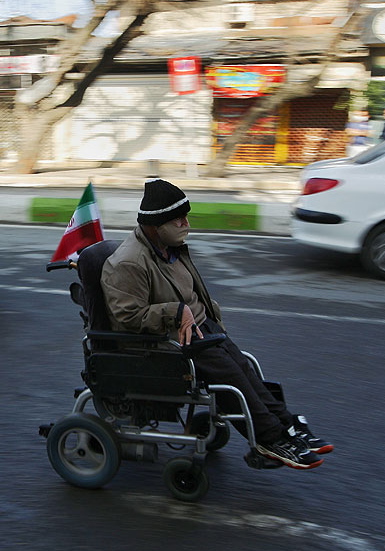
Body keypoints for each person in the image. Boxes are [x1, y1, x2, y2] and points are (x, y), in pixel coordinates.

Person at [100, 178, 333, 470]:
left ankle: (286, 425)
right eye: (178, 219)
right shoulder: (129, 263)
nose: (186, 224)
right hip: (166, 343)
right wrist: (176, 312)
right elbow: (129, 318)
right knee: (232, 381)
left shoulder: (170, 247)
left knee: (246, 371)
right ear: (155, 225)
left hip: (200, 329)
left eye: (186, 217)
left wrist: (206, 318)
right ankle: (270, 440)